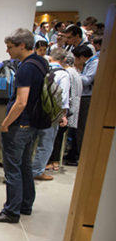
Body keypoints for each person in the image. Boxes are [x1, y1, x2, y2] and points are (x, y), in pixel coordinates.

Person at [0, 29, 47, 224]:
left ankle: (11, 211)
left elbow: (21, 102)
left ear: (22, 45)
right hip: (33, 124)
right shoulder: (41, 62)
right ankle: (25, 204)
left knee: (12, 169)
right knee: (25, 165)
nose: (7, 51)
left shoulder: (25, 68)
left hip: (20, 124)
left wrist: (5, 123)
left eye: (10, 47)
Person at [32, 48, 70, 181]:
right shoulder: (63, 75)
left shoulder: (41, 68)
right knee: (46, 144)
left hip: (34, 110)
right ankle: (37, 171)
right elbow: (63, 97)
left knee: (30, 142)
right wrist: (63, 115)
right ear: (64, 59)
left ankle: (25, 169)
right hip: (50, 113)